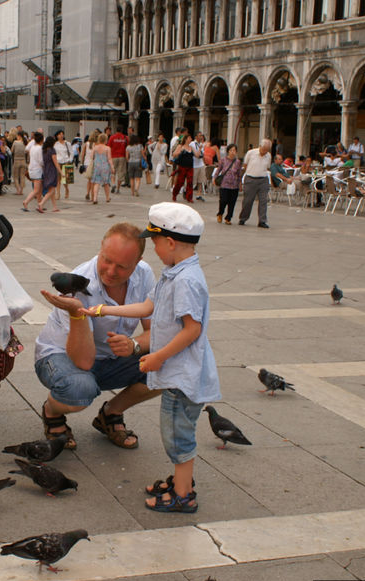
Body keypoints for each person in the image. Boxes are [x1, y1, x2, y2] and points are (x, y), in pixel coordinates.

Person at [81, 203, 219, 513]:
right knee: (174, 428)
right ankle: (179, 482)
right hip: (177, 372)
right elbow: (146, 307)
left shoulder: (185, 280)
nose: (153, 249)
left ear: (169, 242)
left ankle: (184, 495)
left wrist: (157, 356)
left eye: (154, 242)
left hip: (183, 375)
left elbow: (192, 330)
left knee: (177, 433)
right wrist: (104, 309)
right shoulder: (174, 273)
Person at [36, 222, 158, 450]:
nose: (111, 272)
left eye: (122, 266)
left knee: (173, 362)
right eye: (106, 260)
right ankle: (52, 411)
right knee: (80, 388)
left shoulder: (145, 274)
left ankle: (110, 414)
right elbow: (83, 361)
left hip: (109, 358)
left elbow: (158, 333)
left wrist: (134, 344)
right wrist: (76, 312)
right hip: (62, 357)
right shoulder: (78, 281)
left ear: (137, 263)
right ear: (100, 249)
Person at [238, 139, 273, 228]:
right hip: (251, 178)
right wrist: (241, 180)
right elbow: (245, 166)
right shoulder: (251, 153)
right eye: (264, 149)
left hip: (263, 180)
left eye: (267, 150)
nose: (265, 152)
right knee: (248, 201)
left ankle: (262, 220)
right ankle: (243, 218)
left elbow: (268, 168)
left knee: (263, 201)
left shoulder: (268, 156)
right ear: (260, 147)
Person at [215, 144, 242, 224]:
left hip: (234, 185)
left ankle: (228, 218)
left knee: (232, 202)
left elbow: (239, 173)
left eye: (234, 150)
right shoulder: (223, 160)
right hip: (224, 184)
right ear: (228, 151)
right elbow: (218, 170)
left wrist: (240, 183)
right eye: (231, 150)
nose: (232, 152)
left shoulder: (238, 162)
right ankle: (220, 213)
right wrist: (215, 178)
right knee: (223, 200)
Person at [37, 135, 62, 213]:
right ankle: (41, 203)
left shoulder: (44, 150)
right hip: (52, 170)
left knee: (51, 189)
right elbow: (56, 163)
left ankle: (54, 207)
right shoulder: (52, 150)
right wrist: (61, 172)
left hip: (46, 170)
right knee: (52, 189)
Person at [170, 134, 197, 203]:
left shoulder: (191, 147)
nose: (191, 139)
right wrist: (180, 151)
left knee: (190, 182)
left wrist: (199, 149)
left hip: (190, 167)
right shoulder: (180, 146)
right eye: (189, 138)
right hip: (182, 167)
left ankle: (189, 197)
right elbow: (174, 154)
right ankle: (174, 194)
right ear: (186, 139)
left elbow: (197, 155)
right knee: (180, 182)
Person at [90, 132, 114, 204]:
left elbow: (91, 157)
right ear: (105, 140)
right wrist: (112, 167)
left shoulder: (95, 147)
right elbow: (109, 158)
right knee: (106, 183)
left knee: (96, 183)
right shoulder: (107, 148)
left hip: (97, 166)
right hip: (105, 166)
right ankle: (107, 197)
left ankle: (95, 198)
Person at [108, 126, 128, 193]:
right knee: (120, 173)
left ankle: (113, 184)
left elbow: (109, 147)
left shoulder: (112, 137)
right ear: (122, 130)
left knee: (113, 172)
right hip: (122, 157)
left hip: (113, 157)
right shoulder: (125, 138)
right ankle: (118, 189)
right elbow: (127, 147)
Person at [53, 130, 72, 200]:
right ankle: (58, 193)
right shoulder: (55, 144)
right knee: (58, 179)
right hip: (58, 162)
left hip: (66, 161)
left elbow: (71, 152)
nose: (61, 135)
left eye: (62, 134)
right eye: (59, 134)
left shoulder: (67, 143)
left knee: (65, 179)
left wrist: (70, 160)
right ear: (57, 136)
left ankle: (67, 189)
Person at [190, 132, 208, 202]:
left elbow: (202, 154)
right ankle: (189, 193)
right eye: (200, 136)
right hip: (194, 165)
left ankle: (199, 194)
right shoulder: (192, 144)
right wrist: (200, 149)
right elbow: (197, 155)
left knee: (200, 181)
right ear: (196, 137)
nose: (201, 137)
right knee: (193, 181)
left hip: (201, 164)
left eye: (202, 136)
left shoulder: (201, 144)